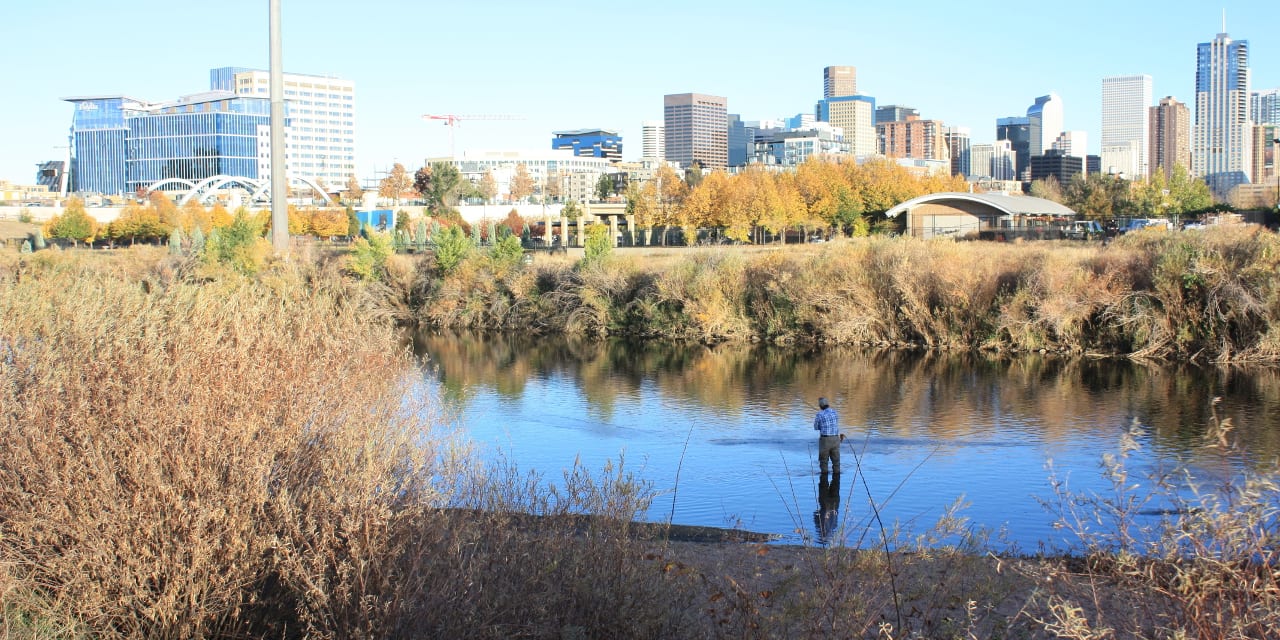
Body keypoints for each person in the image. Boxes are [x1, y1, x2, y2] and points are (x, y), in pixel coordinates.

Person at [812, 396, 841, 474]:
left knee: (824, 461)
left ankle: (824, 479)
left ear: (820, 406)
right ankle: (837, 478)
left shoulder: (819, 414)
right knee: (836, 461)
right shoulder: (835, 412)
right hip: (836, 439)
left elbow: (816, 427)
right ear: (828, 404)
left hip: (825, 440)